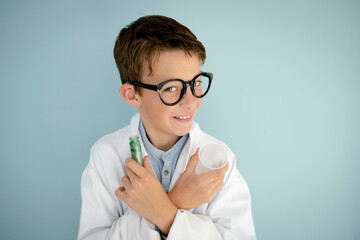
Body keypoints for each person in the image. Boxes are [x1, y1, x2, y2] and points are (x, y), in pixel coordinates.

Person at [78, 15, 256, 240]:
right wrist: (177, 203)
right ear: (132, 95)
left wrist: (164, 210)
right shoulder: (105, 155)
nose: (191, 101)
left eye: (197, 83)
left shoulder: (219, 160)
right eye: (172, 88)